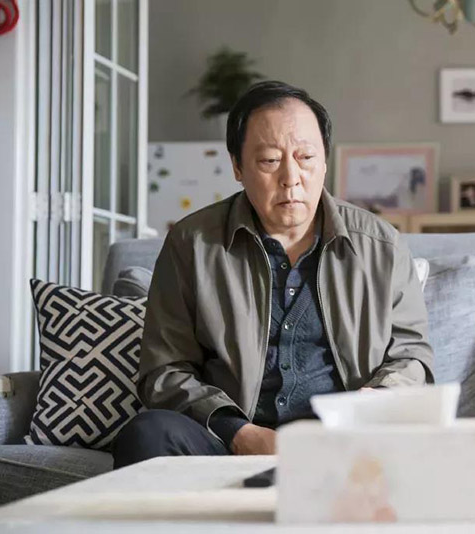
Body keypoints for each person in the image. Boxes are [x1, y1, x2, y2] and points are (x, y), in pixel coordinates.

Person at [113, 81, 434, 468]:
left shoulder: (380, 246)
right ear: (237, 166)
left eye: (306, 157)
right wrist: (240, 433)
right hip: (227, 441)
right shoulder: (192, 243)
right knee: (147, 433)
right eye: (269, 160)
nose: (291, 177)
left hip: (344, 441)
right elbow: (164, 370)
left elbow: (411, 357)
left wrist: (374, 401)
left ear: (325, 162)